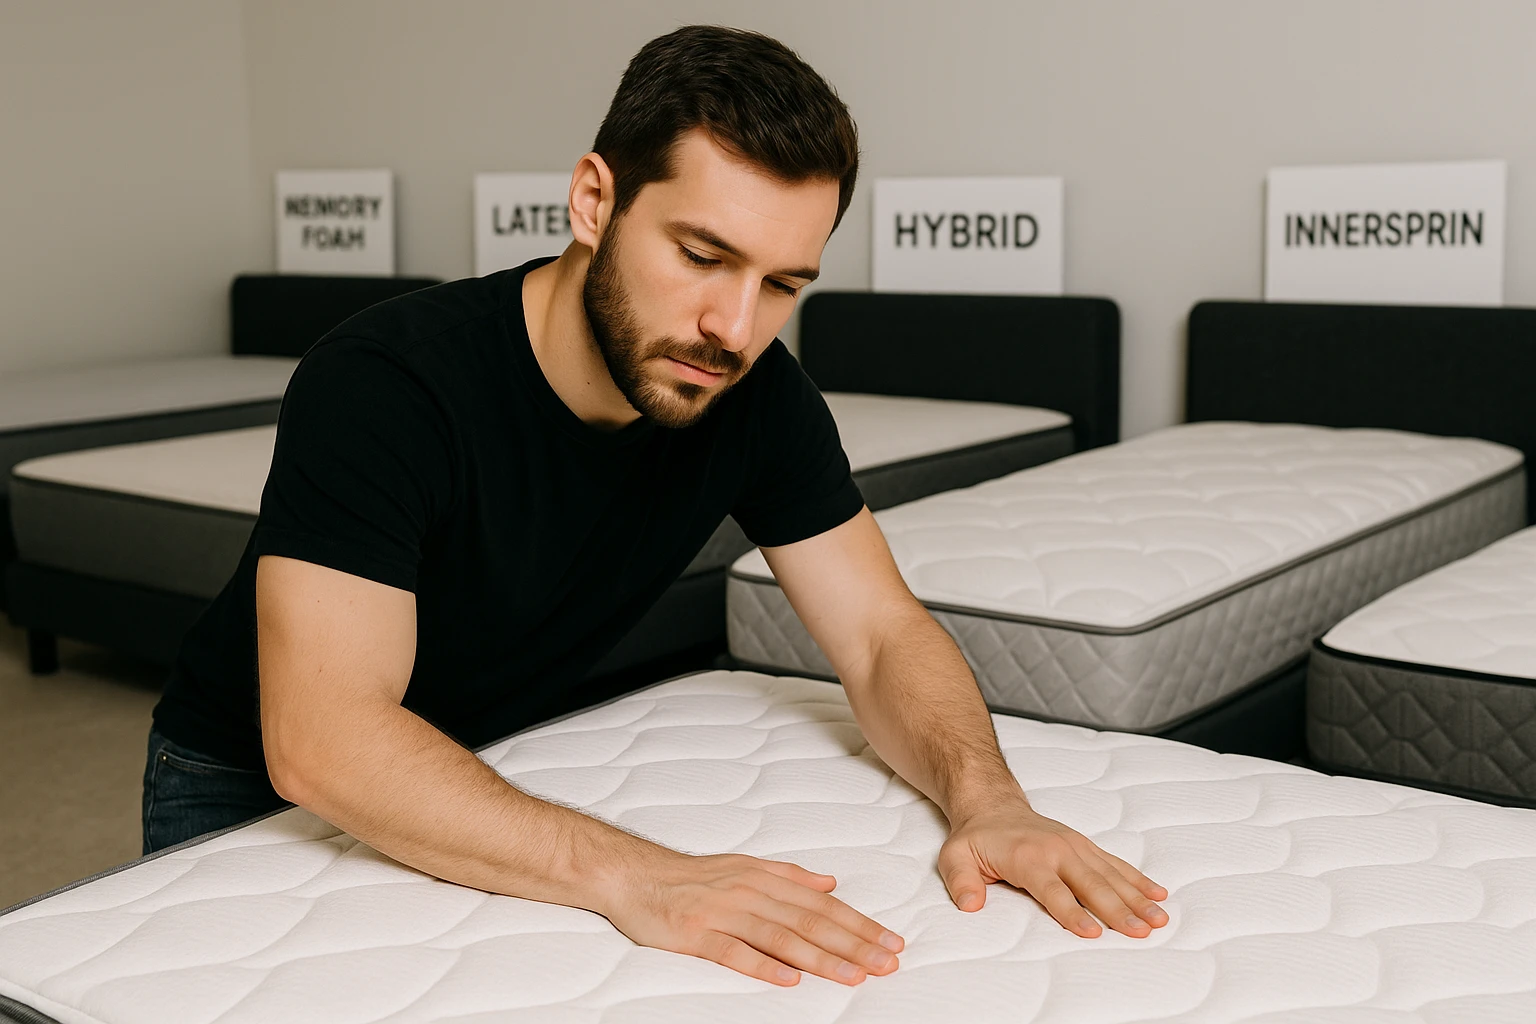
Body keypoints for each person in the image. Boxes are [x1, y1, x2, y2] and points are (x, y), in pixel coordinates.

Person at [141, 25, 1167, 987]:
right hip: (253, 788)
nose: (732, 326)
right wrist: (641, 874)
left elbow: (880, 633)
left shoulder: (756, 395)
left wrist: (990, 800)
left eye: (781, 284)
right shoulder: (385, 381)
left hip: (497, 765)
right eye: (703, 256)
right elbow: (325, 738)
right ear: (595, 201)